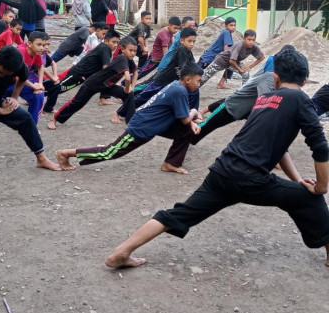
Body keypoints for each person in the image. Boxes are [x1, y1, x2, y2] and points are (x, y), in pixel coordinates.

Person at [105, 49, 329, 269]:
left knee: (178, 213)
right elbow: (320, 147)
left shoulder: (265, 100)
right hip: (250, 179)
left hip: (222, 171)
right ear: (306, 80)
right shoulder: (300, 99)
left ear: (276, 77)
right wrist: (321, 186)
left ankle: (121, 252)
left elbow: (280, 150)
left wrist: (298, 179)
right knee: (311, 199)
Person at [56, 63, 203, 173]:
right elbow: (185, 118)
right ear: (188, 79)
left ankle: (171, 163)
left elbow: (183, 116)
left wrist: (191, 123)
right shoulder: (179, 91)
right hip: (142, 127)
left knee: (186, 131)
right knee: (110, 152)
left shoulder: (177, 87)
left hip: (154, 124)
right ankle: (66, 153)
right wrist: (194, 111)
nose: (199, 84)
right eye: (198, 80)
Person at [49, 36, 138, 130]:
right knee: (75, 104)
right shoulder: (122, 58)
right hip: (93, 84)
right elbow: (128, 78)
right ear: (123, 49)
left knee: (129, 95)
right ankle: (54, 119)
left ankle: (129, 123)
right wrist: (128, 88)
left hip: (107, 86)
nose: (133, 53)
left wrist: (132, 86)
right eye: (130, 50)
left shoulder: (129, 60)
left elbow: (135, 72)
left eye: (135, 51)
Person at [113, 27, 199, 123]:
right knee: (142, 97)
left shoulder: (188, 52)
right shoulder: (182, 49)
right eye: (189, 41)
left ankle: (192, 116)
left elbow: (193, 66)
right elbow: (185, 68)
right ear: (182, 40)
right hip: (161, 81)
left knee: (193, 92)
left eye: (193, 41)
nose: (191, 44)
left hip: (171, 83)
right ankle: (118, 113)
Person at [4, 31, 46, 125]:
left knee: (39, 95)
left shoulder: (36, 52)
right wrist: (34, 86)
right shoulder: (21, 52)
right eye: (39, 44)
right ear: (30, 43)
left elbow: (41, 66)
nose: (41, 48)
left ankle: (31, 125)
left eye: (43, 45)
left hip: (17, 84)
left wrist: (40, 84)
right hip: (3, 83)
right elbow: (20, 76)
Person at [200, 29, 264, 87]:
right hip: (221, 61)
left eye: (253, 40)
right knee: (203, 79)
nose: (251, 42)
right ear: (244, 38)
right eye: (249, 39)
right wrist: (239, 69)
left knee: (245, 74)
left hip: (233, 62)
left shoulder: (254, 46)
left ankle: (244, 93)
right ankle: (192, 91)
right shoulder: (240, 45)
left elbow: (262, 57)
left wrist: (250, 67)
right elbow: (232, 61)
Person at [135, 16, 181, 81]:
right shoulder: (164, 35)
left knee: (155, 78)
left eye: (178, 29)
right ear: (169, 25)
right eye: (175, 28)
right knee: (141, 73)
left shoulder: (169, 30)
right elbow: (166, 54)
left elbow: (173, 42)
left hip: (160, 59)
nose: (176, 30)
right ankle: (124, 83)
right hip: (155, 59)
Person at [198, 17, 237, 89]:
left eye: (234, 25)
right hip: (208, 58)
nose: (233, 27)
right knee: (196, 74)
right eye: (231, 25)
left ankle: (221, 84)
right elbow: (226, 48)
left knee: (231, 65)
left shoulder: (227, 33)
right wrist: (229, 59)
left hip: (213, 58)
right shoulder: (226, 32)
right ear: (226, 26)